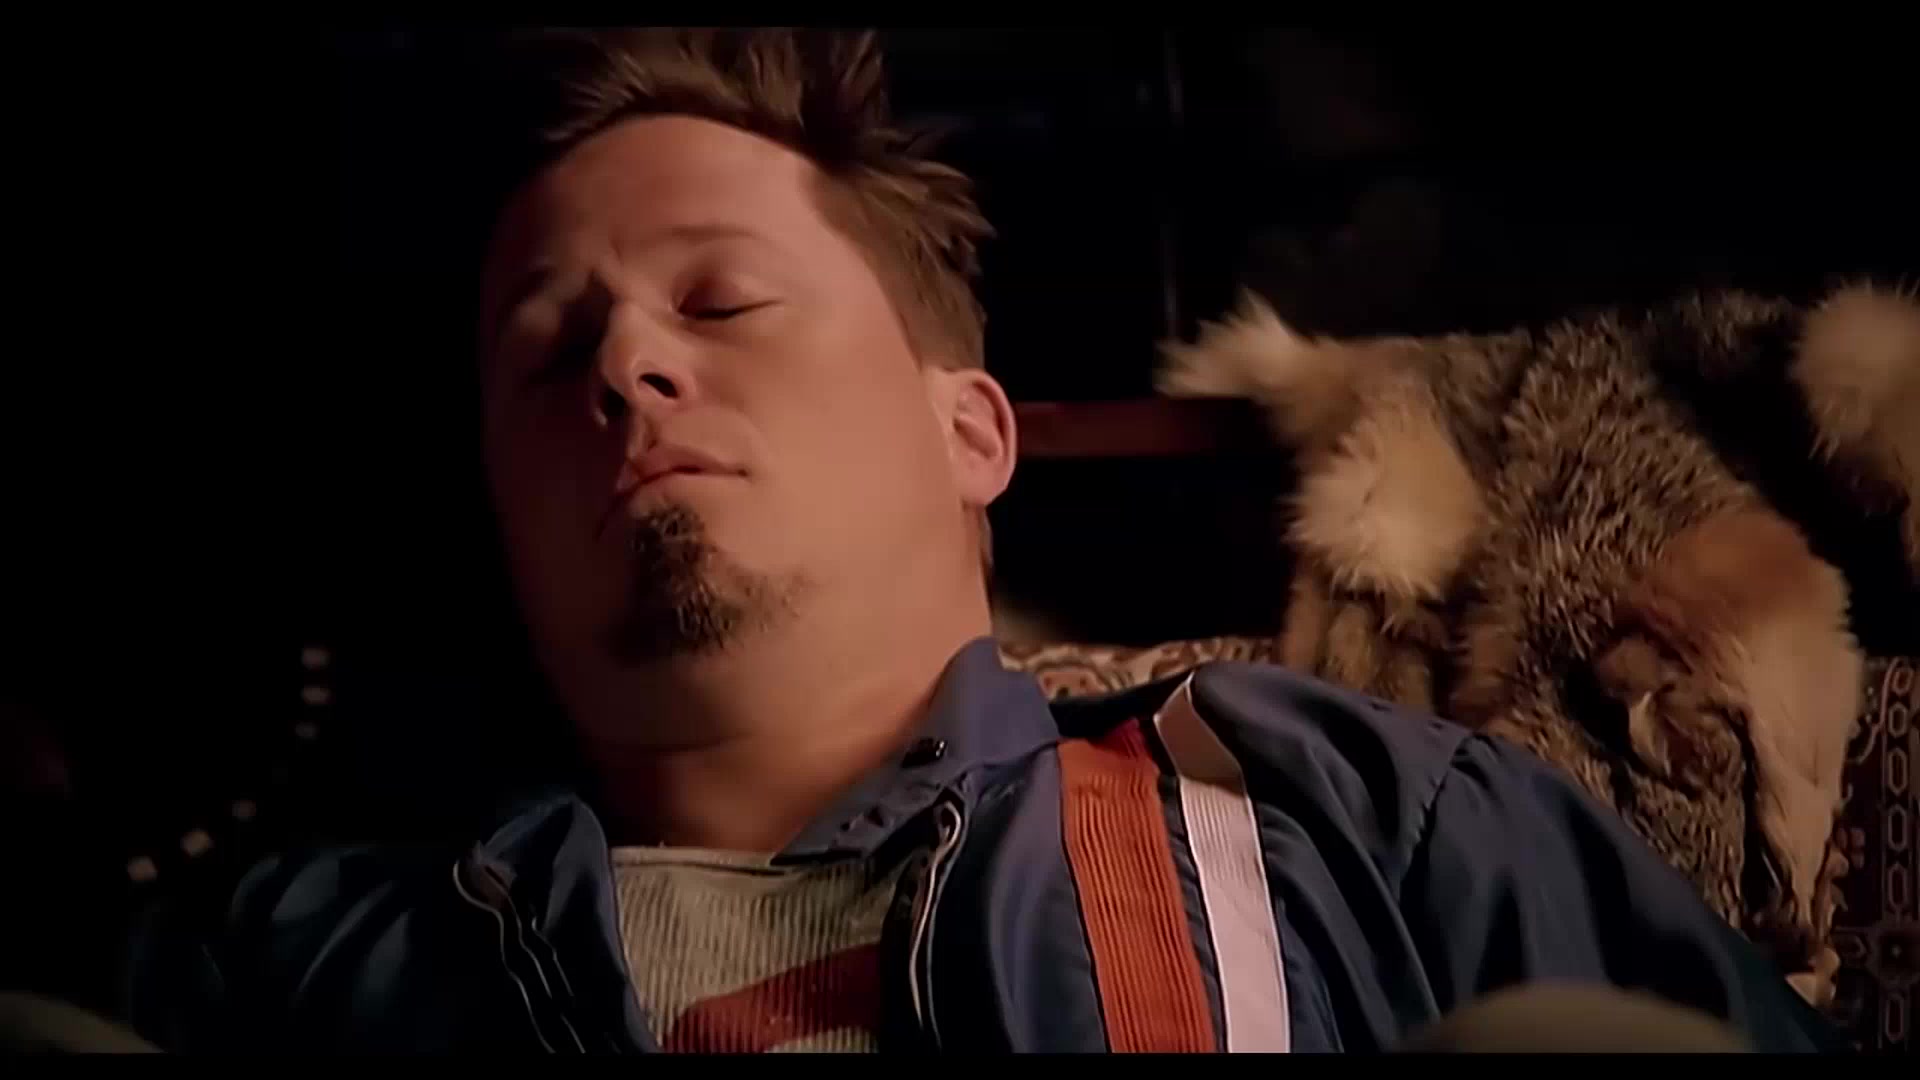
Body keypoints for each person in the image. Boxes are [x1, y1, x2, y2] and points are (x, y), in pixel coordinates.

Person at [118, 29, 1843, 1054]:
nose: (627, 366)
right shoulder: (289, 961)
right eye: (548, 351)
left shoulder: (1355, 814)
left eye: (719, 301)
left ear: (971, 431)